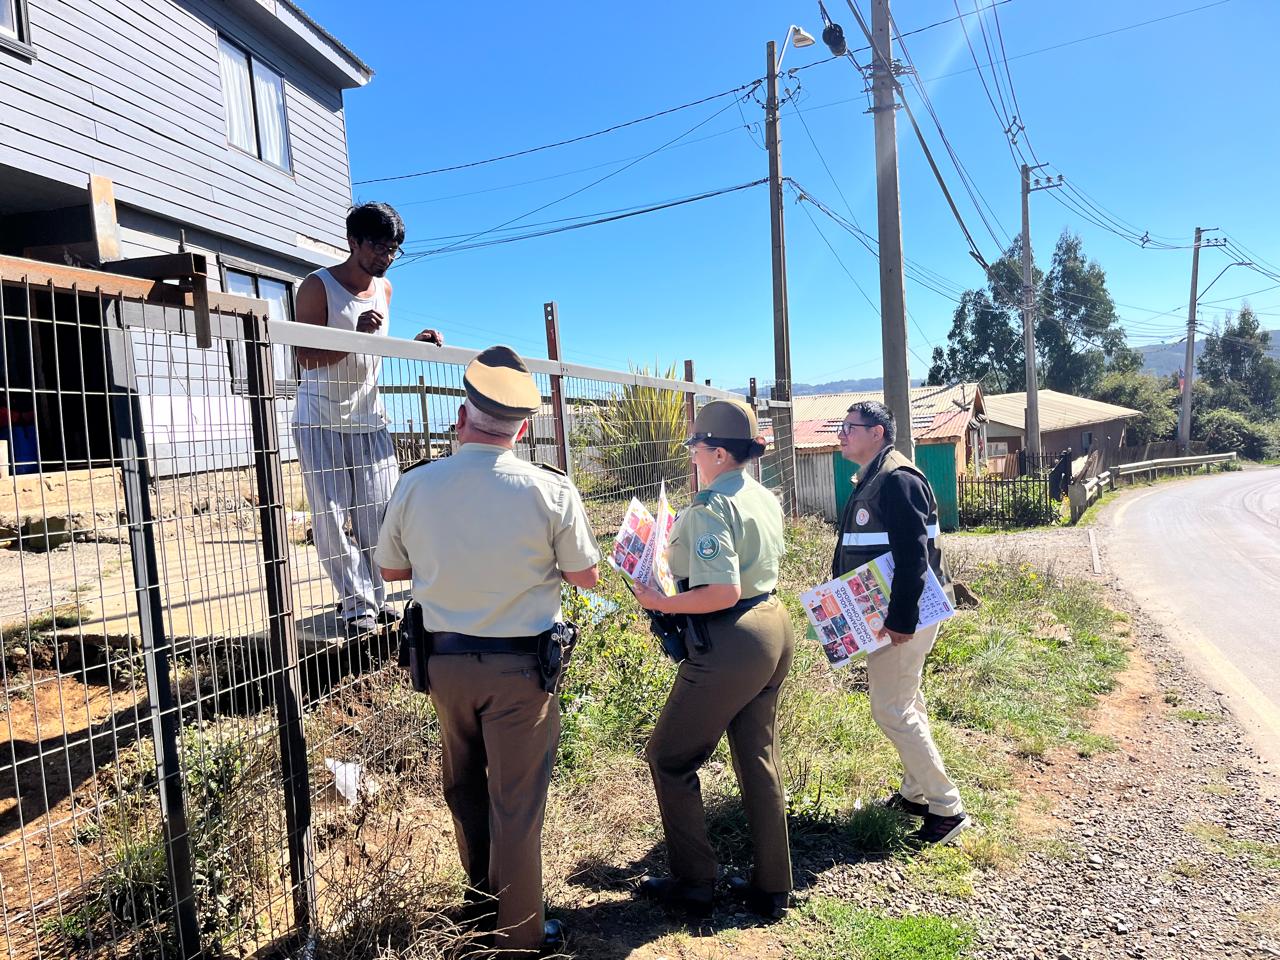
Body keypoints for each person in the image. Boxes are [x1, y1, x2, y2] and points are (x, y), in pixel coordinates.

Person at [374, 345, 600, 956]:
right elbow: (586, 577)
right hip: (521, 671)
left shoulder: (417, 484)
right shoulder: (551, 490)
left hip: (444, 665)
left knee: (465, 786)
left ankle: (478, 907)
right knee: (516, 802)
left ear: (461, 417)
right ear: (521, 429)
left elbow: (390, 569)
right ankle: (519, 935)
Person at [630, 398, 794, 920]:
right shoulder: (761, 495)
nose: (693, 454)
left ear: (719, 453)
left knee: (669, 757)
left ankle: (695, 882)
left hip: (732, 637)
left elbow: (722, 591)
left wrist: (660, 602)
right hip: (773, 624)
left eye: (697, 445)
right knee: (757, 757)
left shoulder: (709, 507)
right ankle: (773, 886)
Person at [293, 201, 444, 639]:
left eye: (393, 248)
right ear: (353, 241)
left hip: (370, 419)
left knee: (380, 518)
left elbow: (374, 349)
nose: (387, 256)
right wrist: (353, 336)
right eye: (379, 246)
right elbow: (305, 357)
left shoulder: (386, 290)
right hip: (319, 420)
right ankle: (356, 604)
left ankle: (376, 599)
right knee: (331, 518)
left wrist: (413, 344)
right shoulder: (317, 287)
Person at [833, 400, 970, 845]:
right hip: (892, 613)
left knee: (891, 709)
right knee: (906, 700)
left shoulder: (896, 479)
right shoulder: (877, 476)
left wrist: (901, 620)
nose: (841, 435)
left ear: (877, 433)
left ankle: (946, 807)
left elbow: (914, 558)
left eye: (849, 427)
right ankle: (916, 794)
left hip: (902, 616)